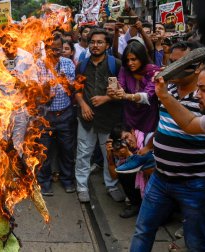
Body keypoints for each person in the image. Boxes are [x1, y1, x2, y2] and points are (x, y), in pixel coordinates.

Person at [130, 42, 205, 251]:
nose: (171, 68)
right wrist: (150, 146)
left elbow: (193, 126)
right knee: (143, 229)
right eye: (171, 62)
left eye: (179, 63)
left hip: (195, 184)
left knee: (195, 239)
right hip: (160, 178)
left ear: (197, 67)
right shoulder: (167, 90)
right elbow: (167, 125)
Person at [74, 28, 123, 203]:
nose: (95, 45)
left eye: (100, 42)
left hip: (109, 118)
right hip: (86, 118)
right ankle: (82, 186)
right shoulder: (82, 65)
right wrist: (83, 105)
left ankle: (111, 185)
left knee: (109, 153)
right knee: (83, 153)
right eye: (92, 42)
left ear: (107, 45)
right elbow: (77, 90)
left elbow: (123, 90)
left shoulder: (115, 64)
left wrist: (106, 97)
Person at [36, 34, 76, 196]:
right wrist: (44, 93)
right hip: (45, 115)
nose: (55, 52)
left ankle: (67, 180)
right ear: (46, 49)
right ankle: (44, 182)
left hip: (64, 114)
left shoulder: (67, 63)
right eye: (52, 49)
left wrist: (67, 83)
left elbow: (73, 88)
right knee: (44, 151)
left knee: (67, 149)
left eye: (58, 49)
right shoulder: (38, 65)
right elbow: (34, 93)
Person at [107, 40, 160, 134]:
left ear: (142, 58)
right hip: (130, 115)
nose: (130, 63)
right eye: (127, 60)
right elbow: (121, 88)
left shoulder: (153, 70)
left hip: (148, 116)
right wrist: (114, 93)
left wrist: (126, 96)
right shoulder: (125, 69)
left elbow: (147, 96)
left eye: (133, 59)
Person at [106, 124, 153, 218]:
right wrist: (110, 156)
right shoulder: (122, 151)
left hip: (160, 183)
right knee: (123, 170)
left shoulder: (148, 141)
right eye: (122, 141)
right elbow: (115, 175)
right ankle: (135, 204)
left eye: (127, 137)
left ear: (132, 131)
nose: (127, 142)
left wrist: (130, 155)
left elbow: (151, 172)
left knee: (159, 219)